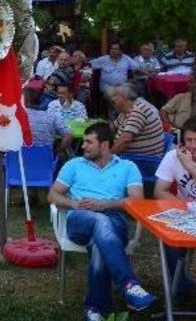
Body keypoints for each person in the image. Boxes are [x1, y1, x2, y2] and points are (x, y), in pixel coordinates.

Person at [47, 123, 156, 319]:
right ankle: (129, 285)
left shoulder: (127, 167)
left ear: (105, 145)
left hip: (114, 219)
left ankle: (96, 309)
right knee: (99, 221)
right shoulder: (74, 165)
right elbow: (53, 195)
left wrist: (103, 205)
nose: (83, 146)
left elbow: (137, 201)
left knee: (99, 243)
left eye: (89, 142)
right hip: (80, 218)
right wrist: (73, 203)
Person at [154, 116, 196, 297]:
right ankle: (180, 286)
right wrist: (188, 209)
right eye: (189, 140)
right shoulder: (173, 156)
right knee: (167, 235)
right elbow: (159, 191)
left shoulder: (186, 160)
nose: (192, 145)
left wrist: (190, 166)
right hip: (186, 213)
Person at [110, 83, 164, 156]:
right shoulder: (126, 110)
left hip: (143, 160)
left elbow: (124, 140)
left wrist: (106, 156)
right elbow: (111, 127)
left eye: (115, 96)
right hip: (134, 156)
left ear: (125, 97)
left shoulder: (138, 111)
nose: (112, 99)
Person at [24, 88, 74, 153]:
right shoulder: (53, 115)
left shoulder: (16, 115)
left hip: (17, 159)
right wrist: (58, 152)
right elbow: (69, 135)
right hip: (45, 159)